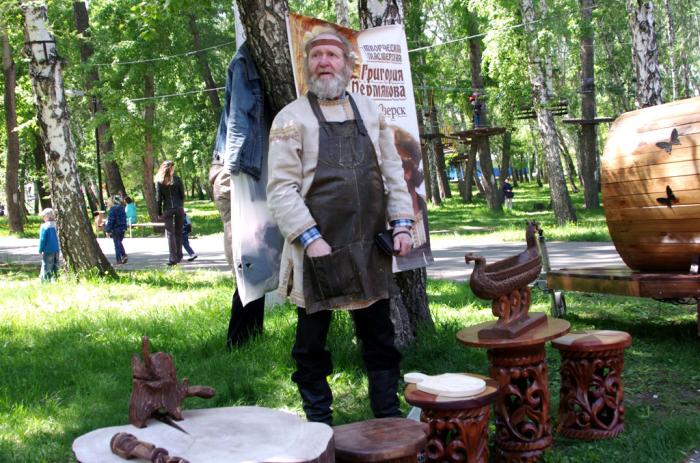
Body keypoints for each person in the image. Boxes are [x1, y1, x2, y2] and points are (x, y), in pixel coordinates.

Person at [266, 30, 415, 425]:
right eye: (317, 56)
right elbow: (281, 189)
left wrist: (402, 226)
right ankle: (319, 426)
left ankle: (388, 419)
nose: (325, 62)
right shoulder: (290, 118)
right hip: (317, 248)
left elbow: (393, 176)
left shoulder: (371, 111)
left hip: (369, 248)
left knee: (380, 337)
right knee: (310, 345)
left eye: (333, 55)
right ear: (307, 66)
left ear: (348, 66)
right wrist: (310, 238)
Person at [210, 42, 268, 348]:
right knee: (248, 260)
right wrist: (241, 174)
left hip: (242, 169)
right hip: (237, 171)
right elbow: (239, 124)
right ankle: (239, 342)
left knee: (256, 257)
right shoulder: (247, 61)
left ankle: (250, 337)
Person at [155, 160, 185, 266]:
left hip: (167, 209)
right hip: (178, 208)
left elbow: (158, 199)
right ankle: (179, 255)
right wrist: (181, 206)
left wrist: (159, 212)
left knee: (170, 234)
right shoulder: (177, 179)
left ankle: (173, 258)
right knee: (178, 232)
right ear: (171, 168)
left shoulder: (159, 181)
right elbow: (182, 195)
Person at [104, 195, 128, 265]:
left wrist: (107, 230)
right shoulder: (122, 208)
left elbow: (111, 221)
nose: (107, 204)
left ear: (111, 202)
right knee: (119, 243)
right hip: (122, 228)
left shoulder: (112, 210)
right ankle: (123, 255)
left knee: (117, 244)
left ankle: (119, 260)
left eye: (108, 202)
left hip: (116, 228)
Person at [38, 207, 60, 281]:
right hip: (57, 249)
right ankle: (56, 280)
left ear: (47, 216)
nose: (43, 218)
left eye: (44, 216)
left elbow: (42, 239)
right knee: (56, 265)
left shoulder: (44, 226)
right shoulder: (57, 225)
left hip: (48, 249)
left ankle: (45, 281)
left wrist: (40, 249)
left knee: (47, 265)